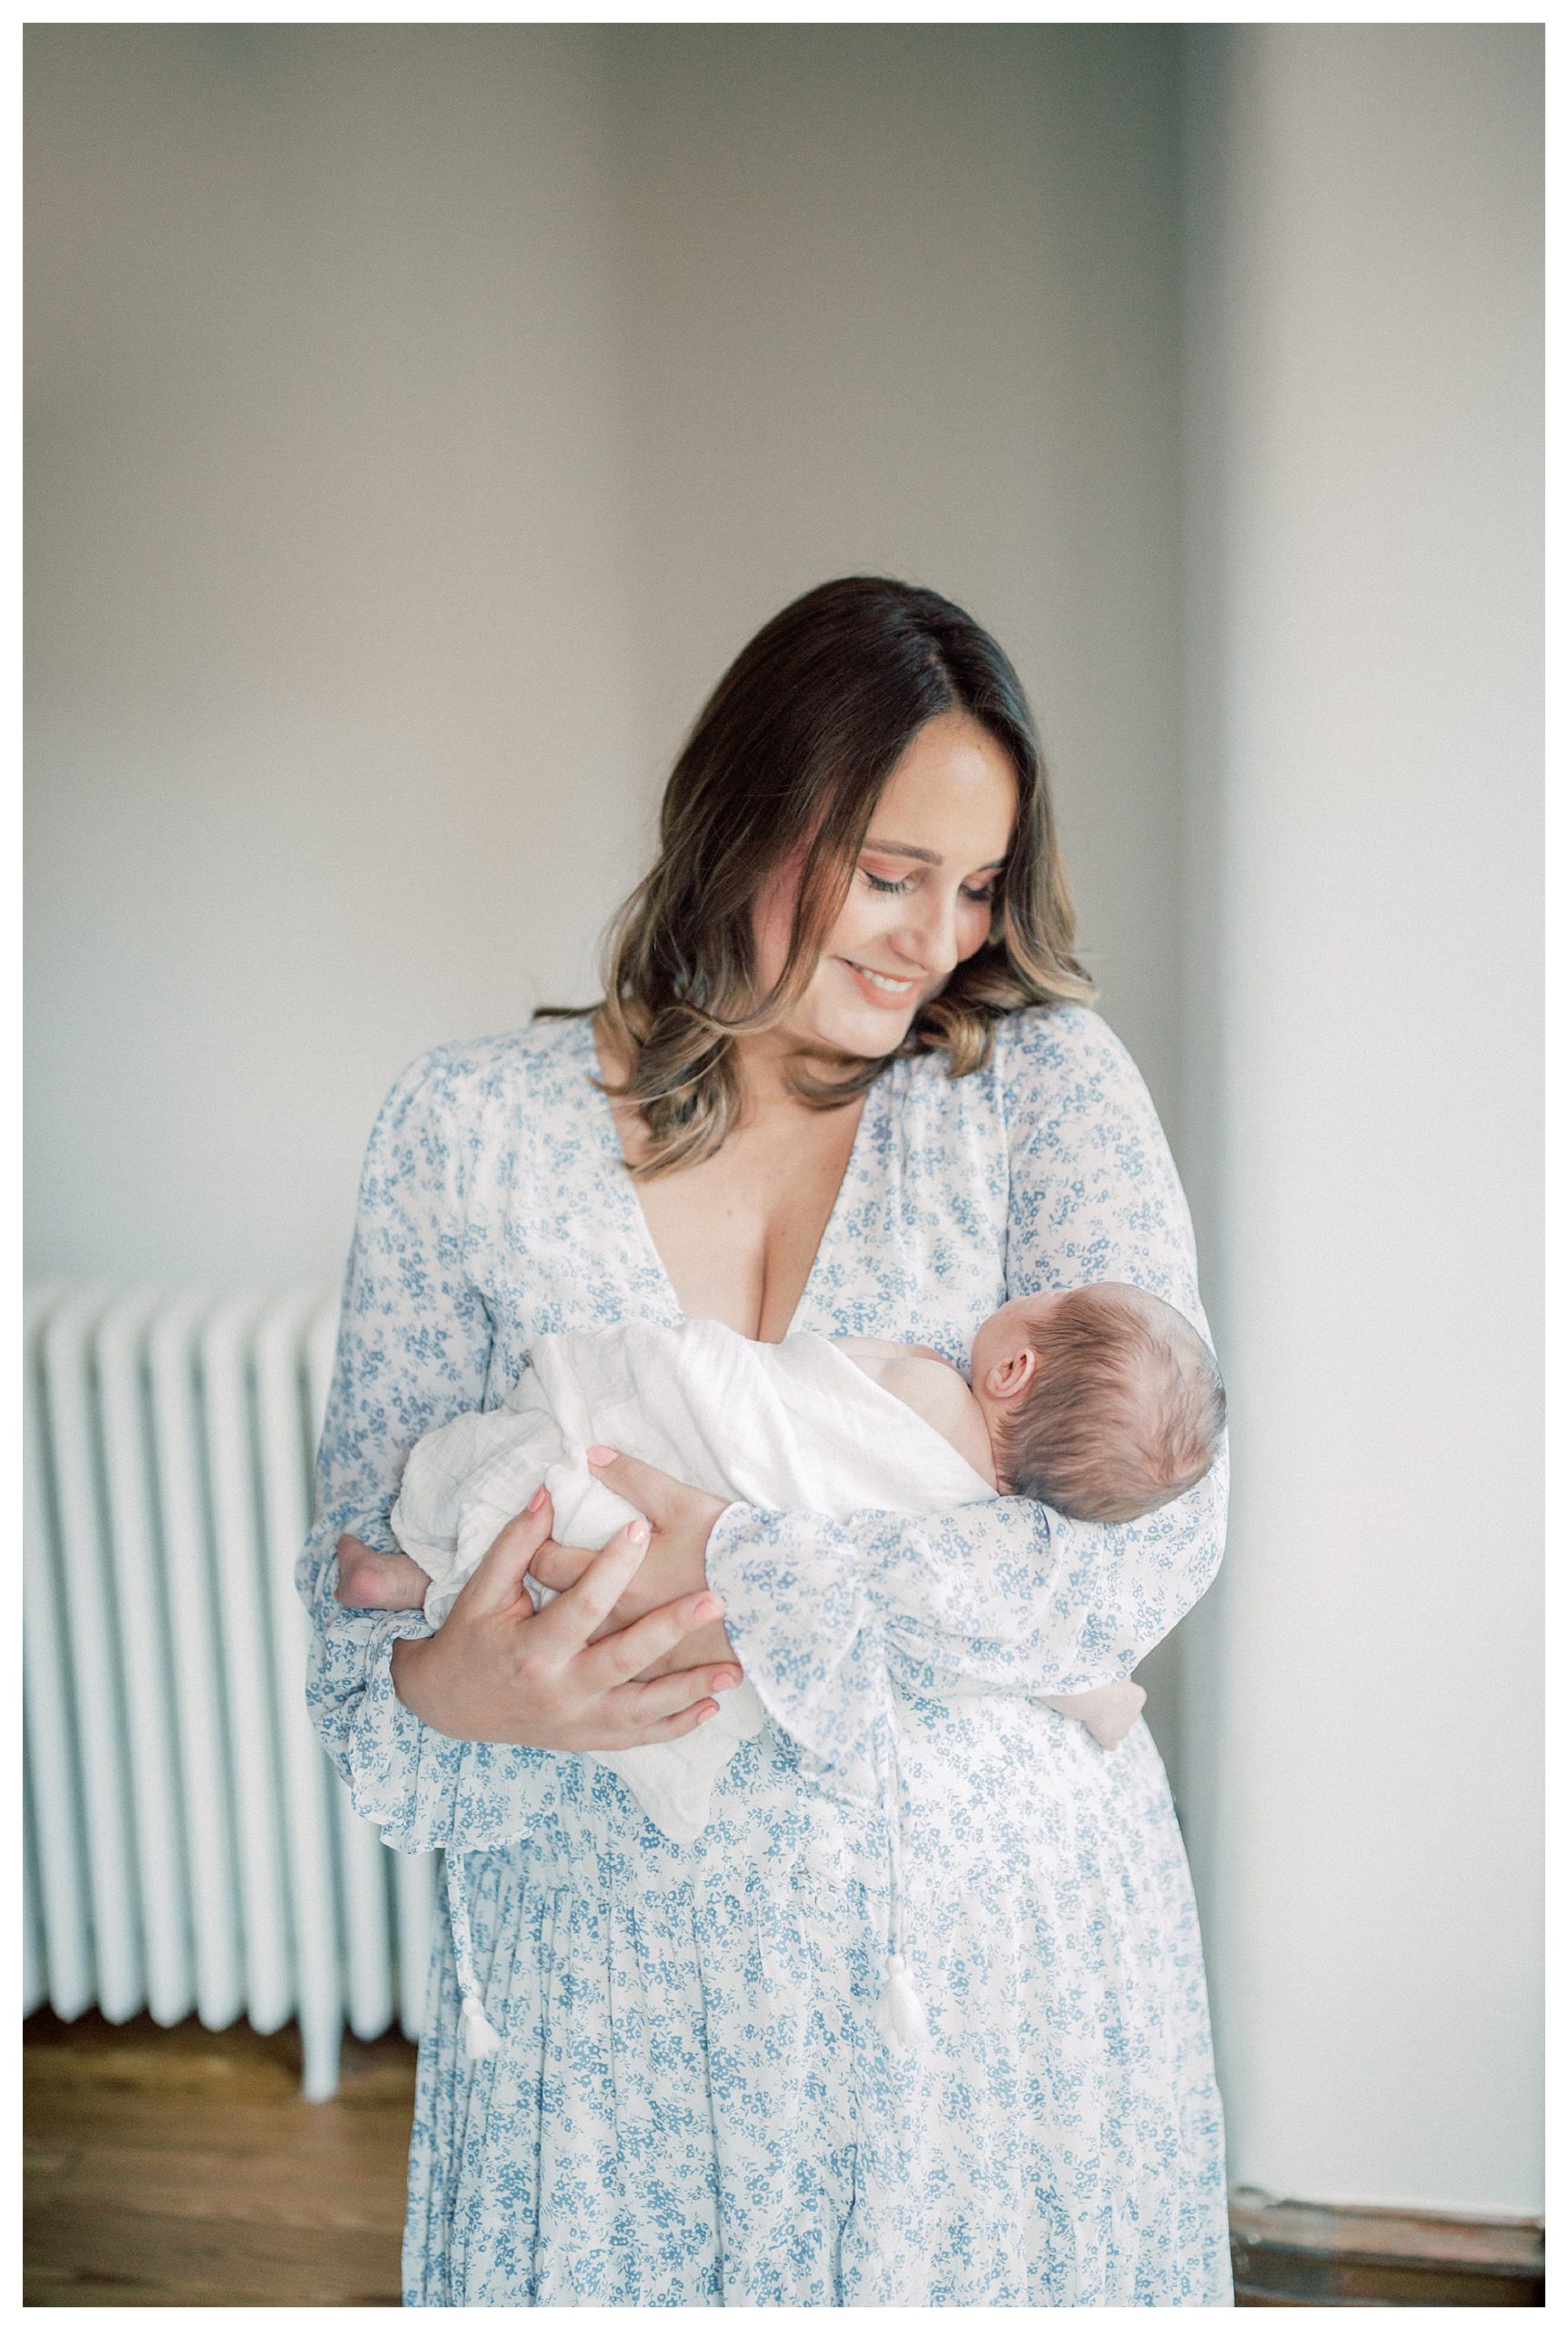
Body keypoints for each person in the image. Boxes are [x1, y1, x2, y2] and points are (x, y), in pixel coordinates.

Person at [298, 575, 1231, 2305]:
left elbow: (1149, 1545)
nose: (932, 938)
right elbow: (358, 1603)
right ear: (744, 814)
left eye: (974, 889)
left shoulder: (1041, 1094)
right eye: (888, 873)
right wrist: (448, 1691)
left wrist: (747, 1572)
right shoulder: (466, 1134)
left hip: (997, 2029)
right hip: (613, 2049)